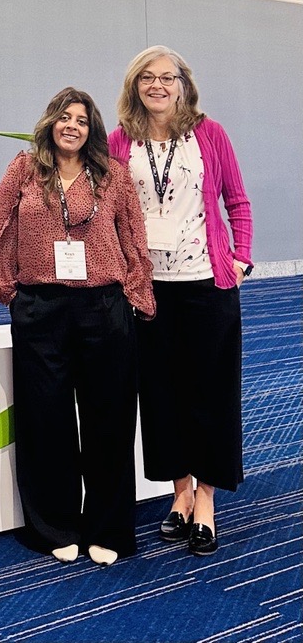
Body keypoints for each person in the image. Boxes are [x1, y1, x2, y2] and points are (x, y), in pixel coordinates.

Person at [0, 87, 155, 566]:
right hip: (42, 309)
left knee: (110, 420)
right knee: (46, 421)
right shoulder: (23, 169)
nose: (71, 125)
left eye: (81, 119)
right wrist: (13, 295)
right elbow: (0, 233)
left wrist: (136, 296)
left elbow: (134, 240)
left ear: (91, 129)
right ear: (50, 123)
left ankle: (107, 528)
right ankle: (53, 526)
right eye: (64, 116)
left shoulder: (113, 176)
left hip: (103, 307)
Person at [109, 46, 253, 556]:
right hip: (150, 288)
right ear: (135, 86)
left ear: (182, 83)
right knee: (163, 393)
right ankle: (179, 494)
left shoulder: (209, 134)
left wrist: (241, 257)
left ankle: (208, 499)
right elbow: (109, 211)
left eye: (166, 77)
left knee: (210, 392)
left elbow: (236, 199)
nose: (157, 85)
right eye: (146, 77)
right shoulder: (120, 141)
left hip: (207, 283)